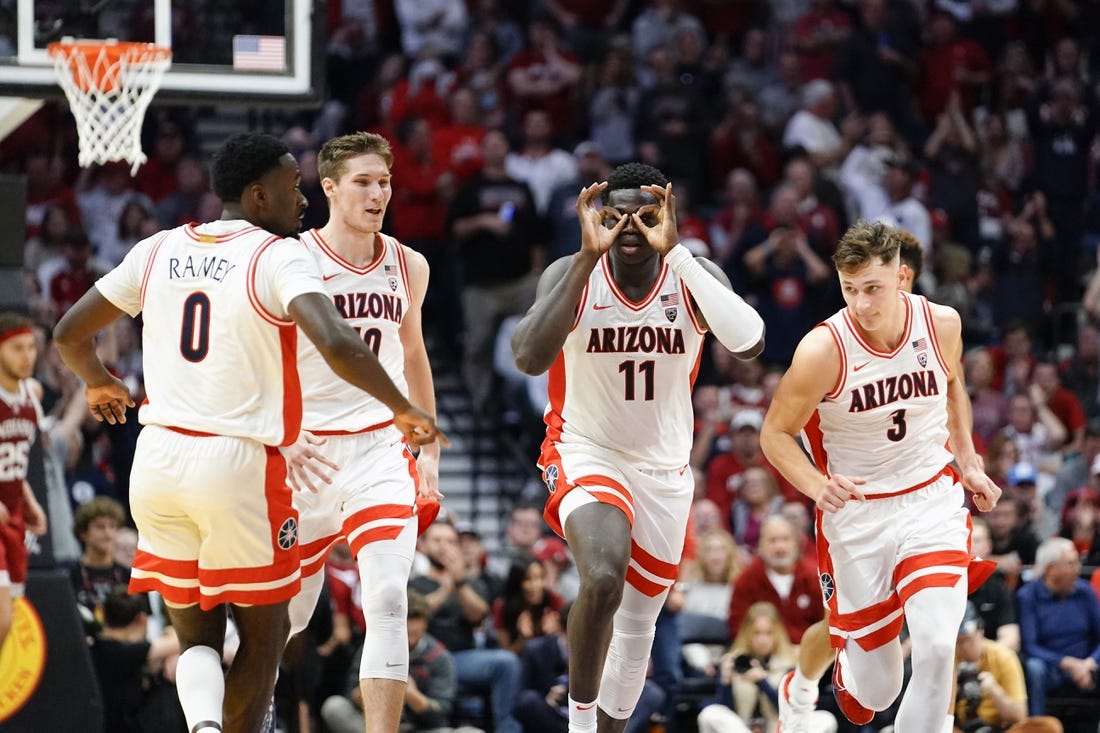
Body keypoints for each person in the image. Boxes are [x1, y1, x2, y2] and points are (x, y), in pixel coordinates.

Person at [52, 132, 444, 733]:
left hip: (161, 456)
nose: (302, 200)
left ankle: (208, 727)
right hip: (253, 459)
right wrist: (401, 408)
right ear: (262, 195)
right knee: (271, 632)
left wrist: (100, 382)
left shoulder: (157, 248)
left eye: (383, 181)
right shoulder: (281, 255)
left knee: (203, 636)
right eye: (295, 188)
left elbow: (68, 332)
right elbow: (334, 341)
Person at [510, 162, 764, 733]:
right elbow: (527, 356)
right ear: (599, 218)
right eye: (616, 215)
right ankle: (579, 725)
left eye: (646, 215)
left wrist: (679, 255)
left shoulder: (692, 274)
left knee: (637, 627)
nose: (630, 226)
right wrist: (584, 259)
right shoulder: (572, 272)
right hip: (585, 449)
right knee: (603, 577)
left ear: (667, 216)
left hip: (664, 469)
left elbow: (750, 343)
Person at [760, 220, 1000, 733]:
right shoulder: (823, 349)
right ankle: (820, 676)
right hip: (859, 514)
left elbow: (952, 385)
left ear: (901, 277)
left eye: (872, 288)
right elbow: (775, 433)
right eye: (850, 289)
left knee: (937, 648)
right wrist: (816, 484)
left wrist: (969, 460)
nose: (861, 304)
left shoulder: (941, 324)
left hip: (929, 500)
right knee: (878, 691)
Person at [282, 130, 444, 733]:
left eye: (385, 182)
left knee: (388, 600)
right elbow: (261, 358)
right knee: (287, 618)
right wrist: (281, 433)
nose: (378, 194)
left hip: (379, 448)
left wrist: (427, 448)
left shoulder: (408, 263)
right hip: (308, 452)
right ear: (329, 187)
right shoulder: (292, 259)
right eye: (363, 182)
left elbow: (414, 354)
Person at [0, 313, 48, 656]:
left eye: (31, 347)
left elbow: (15, 459)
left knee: (9, 616)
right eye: (17, 348)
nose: (27, 356)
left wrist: (28, 501)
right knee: (2, 618)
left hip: (13, 514)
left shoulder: (32, 394)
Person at [1016, 536, 1100, 717]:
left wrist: (1090, 662)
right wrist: (1067, 663)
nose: (1078, 568)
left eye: (1077, 562)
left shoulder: (1085, 592)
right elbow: (1030, 646)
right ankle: (1036, 725)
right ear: (1050, 569)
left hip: (1087, 664)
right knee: (1034, 667)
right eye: (1071, 563)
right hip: (1051, 667)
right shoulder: (1028, 596)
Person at [954, 600, 1063, 733]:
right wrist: (955, 691)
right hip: (960, 727)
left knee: (1050, 727)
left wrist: (994, 690)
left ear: (981, 631)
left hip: (999, 728)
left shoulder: (1003, 656)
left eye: (967, 639)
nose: (964, 647)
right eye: (958, 641)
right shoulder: (948, 658)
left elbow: (1019, 717)